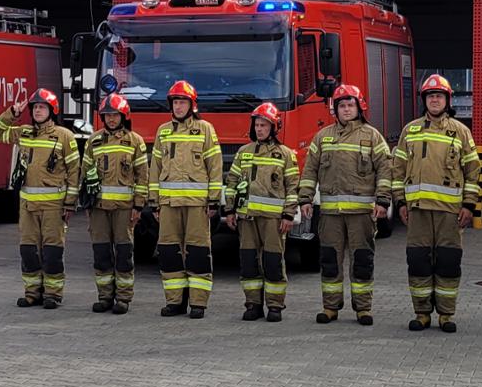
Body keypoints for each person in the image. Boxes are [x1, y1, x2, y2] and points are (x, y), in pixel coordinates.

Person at [298, 83, 394, 326]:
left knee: (362, 261)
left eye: (350, 105)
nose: (346, 109)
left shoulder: (372, 136)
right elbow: (310, 170)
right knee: (330, 260)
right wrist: (305, 198)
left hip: (362, 214)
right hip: (330, 215)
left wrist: (383, 200)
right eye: (342, 105)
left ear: (359, 107)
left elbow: (385, 169)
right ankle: (330, 307)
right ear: (335, 109)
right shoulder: (322, 137)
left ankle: (363, 309)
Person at [393, 74, 481, 333]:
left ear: (447, 100)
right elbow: (397, 170)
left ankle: (445, 314)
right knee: (418, 262)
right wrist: (400, 202)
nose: (434, 100)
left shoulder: (461, 132)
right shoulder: (410, 131)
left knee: (448, 262)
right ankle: (421, 313)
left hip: (449, 214)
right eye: (430, 96)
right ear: (424, 100)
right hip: (418, 211)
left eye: (439, 96)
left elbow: (473, 172)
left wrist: (469, 205)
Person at [0, 88, 80, 309]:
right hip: (28, 207)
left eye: (42, 107)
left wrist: (70, 204)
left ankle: (53, 294)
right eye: (35, 107)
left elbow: (73, 171)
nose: (38, 110)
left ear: (52, 110)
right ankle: (32, 293)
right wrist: (12, 112)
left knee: (52, 253)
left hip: (54, 207)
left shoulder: (64, 136)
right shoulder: (24, 132)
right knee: (28, 251)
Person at [223, 102, 300, 322]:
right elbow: (232, 182)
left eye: (264, 125)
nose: (259, 129)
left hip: (274, 221)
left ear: (274, 127)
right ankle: (253, 305)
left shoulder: (285, 155)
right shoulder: (243, 152)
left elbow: (293, 187)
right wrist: (229, 210)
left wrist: (288, 215)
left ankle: (275, 306)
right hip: (246, 218)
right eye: (257, 125)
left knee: (273, 262)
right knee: (248, 262)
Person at [150, 80, 222, 318]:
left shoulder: (205, 129)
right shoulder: (163, 131)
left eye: (183, 102)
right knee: (169, 252)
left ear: (192, 105)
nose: (179, 107)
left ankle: (198, 303)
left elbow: (215, 167)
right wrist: (155, 202)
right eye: (176, 102)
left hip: (197, 205)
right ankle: (174, 302)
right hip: (169, 205)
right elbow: (155, 168)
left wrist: (213, 201)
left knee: (198, 252)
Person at [83, 93, 150, 314]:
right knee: (101, 253)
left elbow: (143, 176)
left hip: (124, 209)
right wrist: (86, 204)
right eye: (108, 115)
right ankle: (104, 297)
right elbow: (85, 174)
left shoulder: (135, 141)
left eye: (115, 115)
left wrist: (138, 206)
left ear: (124, 116)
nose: (111, 119)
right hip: (99, 209)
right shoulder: (93, 141)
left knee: (123, 254)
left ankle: (123, 298)